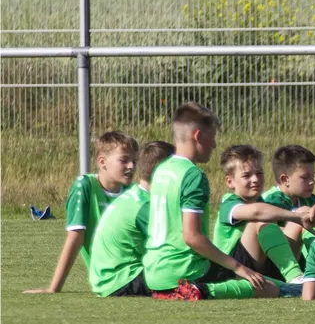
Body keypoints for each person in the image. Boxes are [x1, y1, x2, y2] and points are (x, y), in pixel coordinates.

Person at [142, 103, 278, 300]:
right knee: (269, 288)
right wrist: (239, 268)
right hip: (186, 270)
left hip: (154, 273)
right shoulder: (193, 175)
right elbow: (192, 237)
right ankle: (199, 290)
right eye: (212, 137)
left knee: (259, 280)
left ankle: (178, 290)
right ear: (198, 136)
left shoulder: (162, 170)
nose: (214, 145)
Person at [25, 131, 138, 295]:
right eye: (124, 160)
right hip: (119, 279)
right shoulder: (84, 186)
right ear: (102, 161)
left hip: (140, 269)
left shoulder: (135, 192)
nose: (131, 166)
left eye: (134, 161)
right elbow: (75, 238)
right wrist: (53, 288)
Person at [211, 144, 315, 283]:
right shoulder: (229, 204)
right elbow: (256, 212)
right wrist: (296, 217)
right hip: (232, 270)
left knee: (301, 213)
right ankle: (294, 276)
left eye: (259, 173)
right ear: (230, 182)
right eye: (247, 175)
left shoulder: (262, 202)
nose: (255, 179)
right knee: (261, 220)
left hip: (263, 265)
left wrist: (304, 216)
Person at [261, 144, 315, 261]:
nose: (312, 181)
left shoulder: (308, 198)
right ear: (285, 180)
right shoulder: (271, 201)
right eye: (305, 177)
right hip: (279, 261)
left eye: (313, 176)